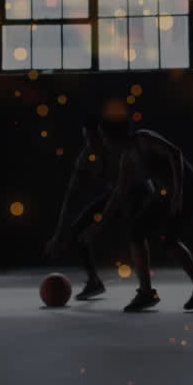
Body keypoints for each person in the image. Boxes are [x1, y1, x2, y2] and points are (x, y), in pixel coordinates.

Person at [96, 114, 193, 312]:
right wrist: (100, 222)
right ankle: (147, 293)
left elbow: (175, 153)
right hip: (169, 193)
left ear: (114, 136)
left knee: (169, 241)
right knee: (136, 231)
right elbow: (119, 192)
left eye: (104, 137)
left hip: (188, 188)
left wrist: (178, 192)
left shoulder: (143, 139)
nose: (104, 142)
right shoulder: (127, 158)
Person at [44, 114, 122, 301]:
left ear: (104, 136)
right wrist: (58, 235)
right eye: (87, 138)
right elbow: (70, 198)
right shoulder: (86, 157)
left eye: (94, 138)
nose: (91, 143)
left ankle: (146, 289)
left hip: (136, 192)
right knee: (79, 229)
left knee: (138, 234)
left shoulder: (119, 150)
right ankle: (93, 280)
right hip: (114, 195)